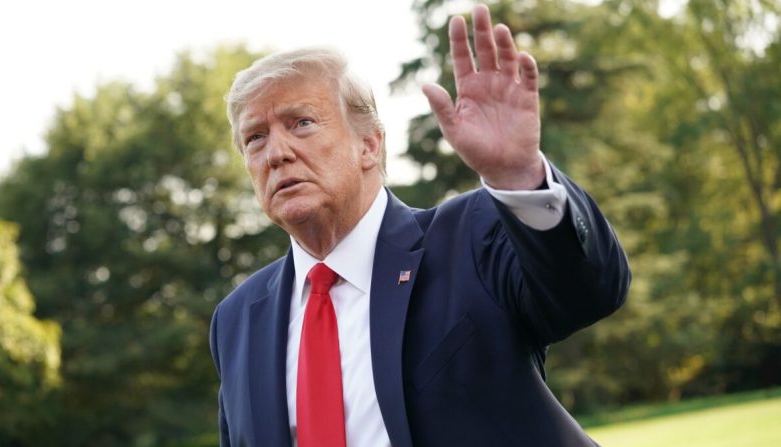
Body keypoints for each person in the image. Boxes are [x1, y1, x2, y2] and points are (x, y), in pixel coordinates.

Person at [209, 4, 630, 446]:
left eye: (302, 123)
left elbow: (588, 293)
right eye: (255, 137)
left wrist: (519, 175)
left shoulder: (470, 236)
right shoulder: (236, 319)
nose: (276, 153)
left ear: (369, 145)